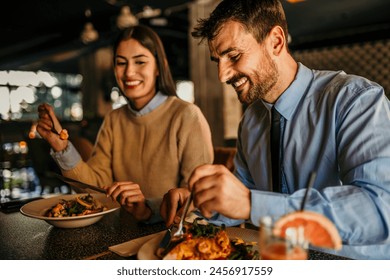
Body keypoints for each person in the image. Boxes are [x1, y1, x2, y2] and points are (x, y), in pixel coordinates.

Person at [160, 0, 390, 259]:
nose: (222, 76)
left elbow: (380, 209)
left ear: (276, 42)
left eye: (234, 56)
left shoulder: (355, 100)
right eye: (218, 60)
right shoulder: (251, 121)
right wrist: (198, 204)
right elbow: (244, 192)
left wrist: (251, 204)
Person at [37, 25, 213, 223]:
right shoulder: (114, 119)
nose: (129, 72)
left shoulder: (187, 116)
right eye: (121, 63)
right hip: (123, 233)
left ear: (159, 67)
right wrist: (62, 147)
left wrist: (148, 210)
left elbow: (196, 197)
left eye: (140, 62)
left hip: (171, 237)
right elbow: (95, 187)